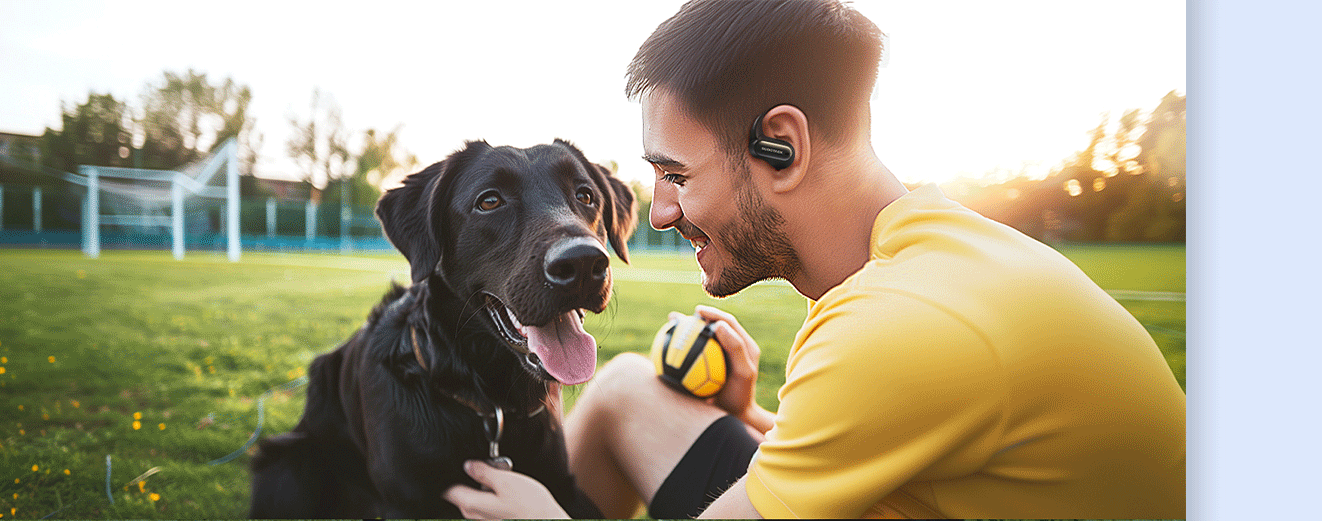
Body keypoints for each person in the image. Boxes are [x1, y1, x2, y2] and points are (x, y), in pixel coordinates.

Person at [442, 0, 1187, 518]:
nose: (661, 210)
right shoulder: (933, 252)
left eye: (676, 174)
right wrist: (755, 418)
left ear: (783, 147)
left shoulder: (891, 330)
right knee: (625, 388)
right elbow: (917, 457)